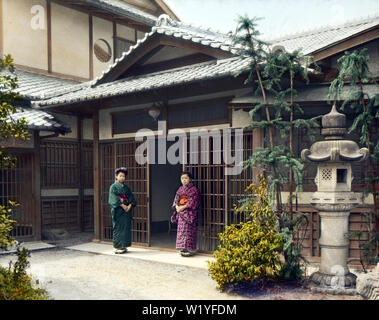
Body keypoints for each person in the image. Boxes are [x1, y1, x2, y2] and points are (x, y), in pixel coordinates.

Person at [171, 172, 200, 257]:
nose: (184, 180)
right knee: (181, 231)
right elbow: (176, 199)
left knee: (188, 231)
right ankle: (182, 249)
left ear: (190, 179)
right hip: (181, 213)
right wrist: (177, 206)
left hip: (189, 213)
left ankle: (189, 249)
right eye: (182, 178)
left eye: (186, 178)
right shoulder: (180, 189)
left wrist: (182, 208)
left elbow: (192, 202)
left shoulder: (194, 190)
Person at [108, 167, 136, 254]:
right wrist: (123, 205)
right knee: (118, 228)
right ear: (116, 176)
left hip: (126, 211)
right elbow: (113, 199)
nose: (122, 178)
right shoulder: (113, 187)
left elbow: (131, 198)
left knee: (125, 228)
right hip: (118, 211)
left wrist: (130, 206)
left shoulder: (126, 188)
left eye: (123, 176)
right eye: (120, 176)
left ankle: (124, 246)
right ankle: (118, 246)